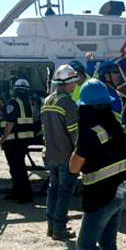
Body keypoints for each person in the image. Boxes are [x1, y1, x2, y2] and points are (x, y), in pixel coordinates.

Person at [70, 79, 126, 250]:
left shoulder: (90, 132)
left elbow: (74, 167)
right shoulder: (115, 124)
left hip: (100, 196)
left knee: (85, 245)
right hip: (119, 193)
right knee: (108, 244)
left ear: (85, 107)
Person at [41, 65, 79, 240]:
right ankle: (59, 229)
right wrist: (80, 156)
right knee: (63, 193)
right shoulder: (68, 103)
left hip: (50, 155)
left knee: (53, 190)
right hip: (65, 156)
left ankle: (51, 226)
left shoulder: (47, 101)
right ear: (67, 83)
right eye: (74, 81)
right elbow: (74, 134)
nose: (76, 85)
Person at [0, 79, 38, 203]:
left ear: (15, 89)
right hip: (24, 139)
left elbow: (10, 122)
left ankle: (25, 195)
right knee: (18, 167)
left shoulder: (13, 102)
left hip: (13, 140)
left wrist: (2, 138)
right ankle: (17, 192)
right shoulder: (28, 103)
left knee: (17, 168)